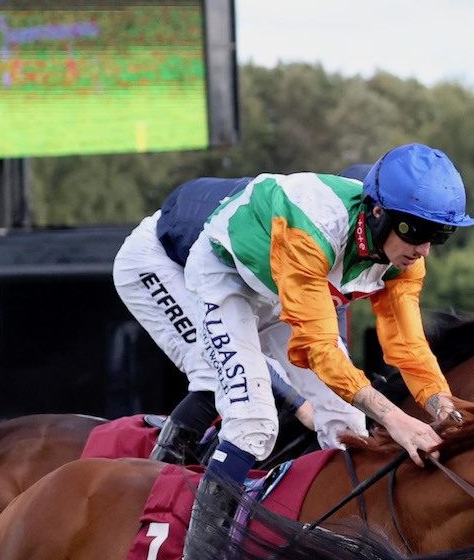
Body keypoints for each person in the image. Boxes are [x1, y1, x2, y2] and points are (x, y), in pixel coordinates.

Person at [158, 143, 474, 560]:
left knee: (348, 424)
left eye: (441, 235)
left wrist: (446, 409)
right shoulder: (314, 223)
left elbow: (408, 345)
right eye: (415, 230)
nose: (423, 247)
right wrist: (395, 417)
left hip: (283, 291)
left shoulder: (405, 258)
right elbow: (319, 349)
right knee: (253, 423)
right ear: (376, 212)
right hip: (225, 279)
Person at [113, 165, 373, 464]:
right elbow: (236, 350)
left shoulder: (347, 252)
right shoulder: (310, 230)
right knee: (219, 374)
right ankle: (154, 484)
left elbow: (327, 344)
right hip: (160, 260)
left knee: (338, 401)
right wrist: (297, 403)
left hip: (233, 278)